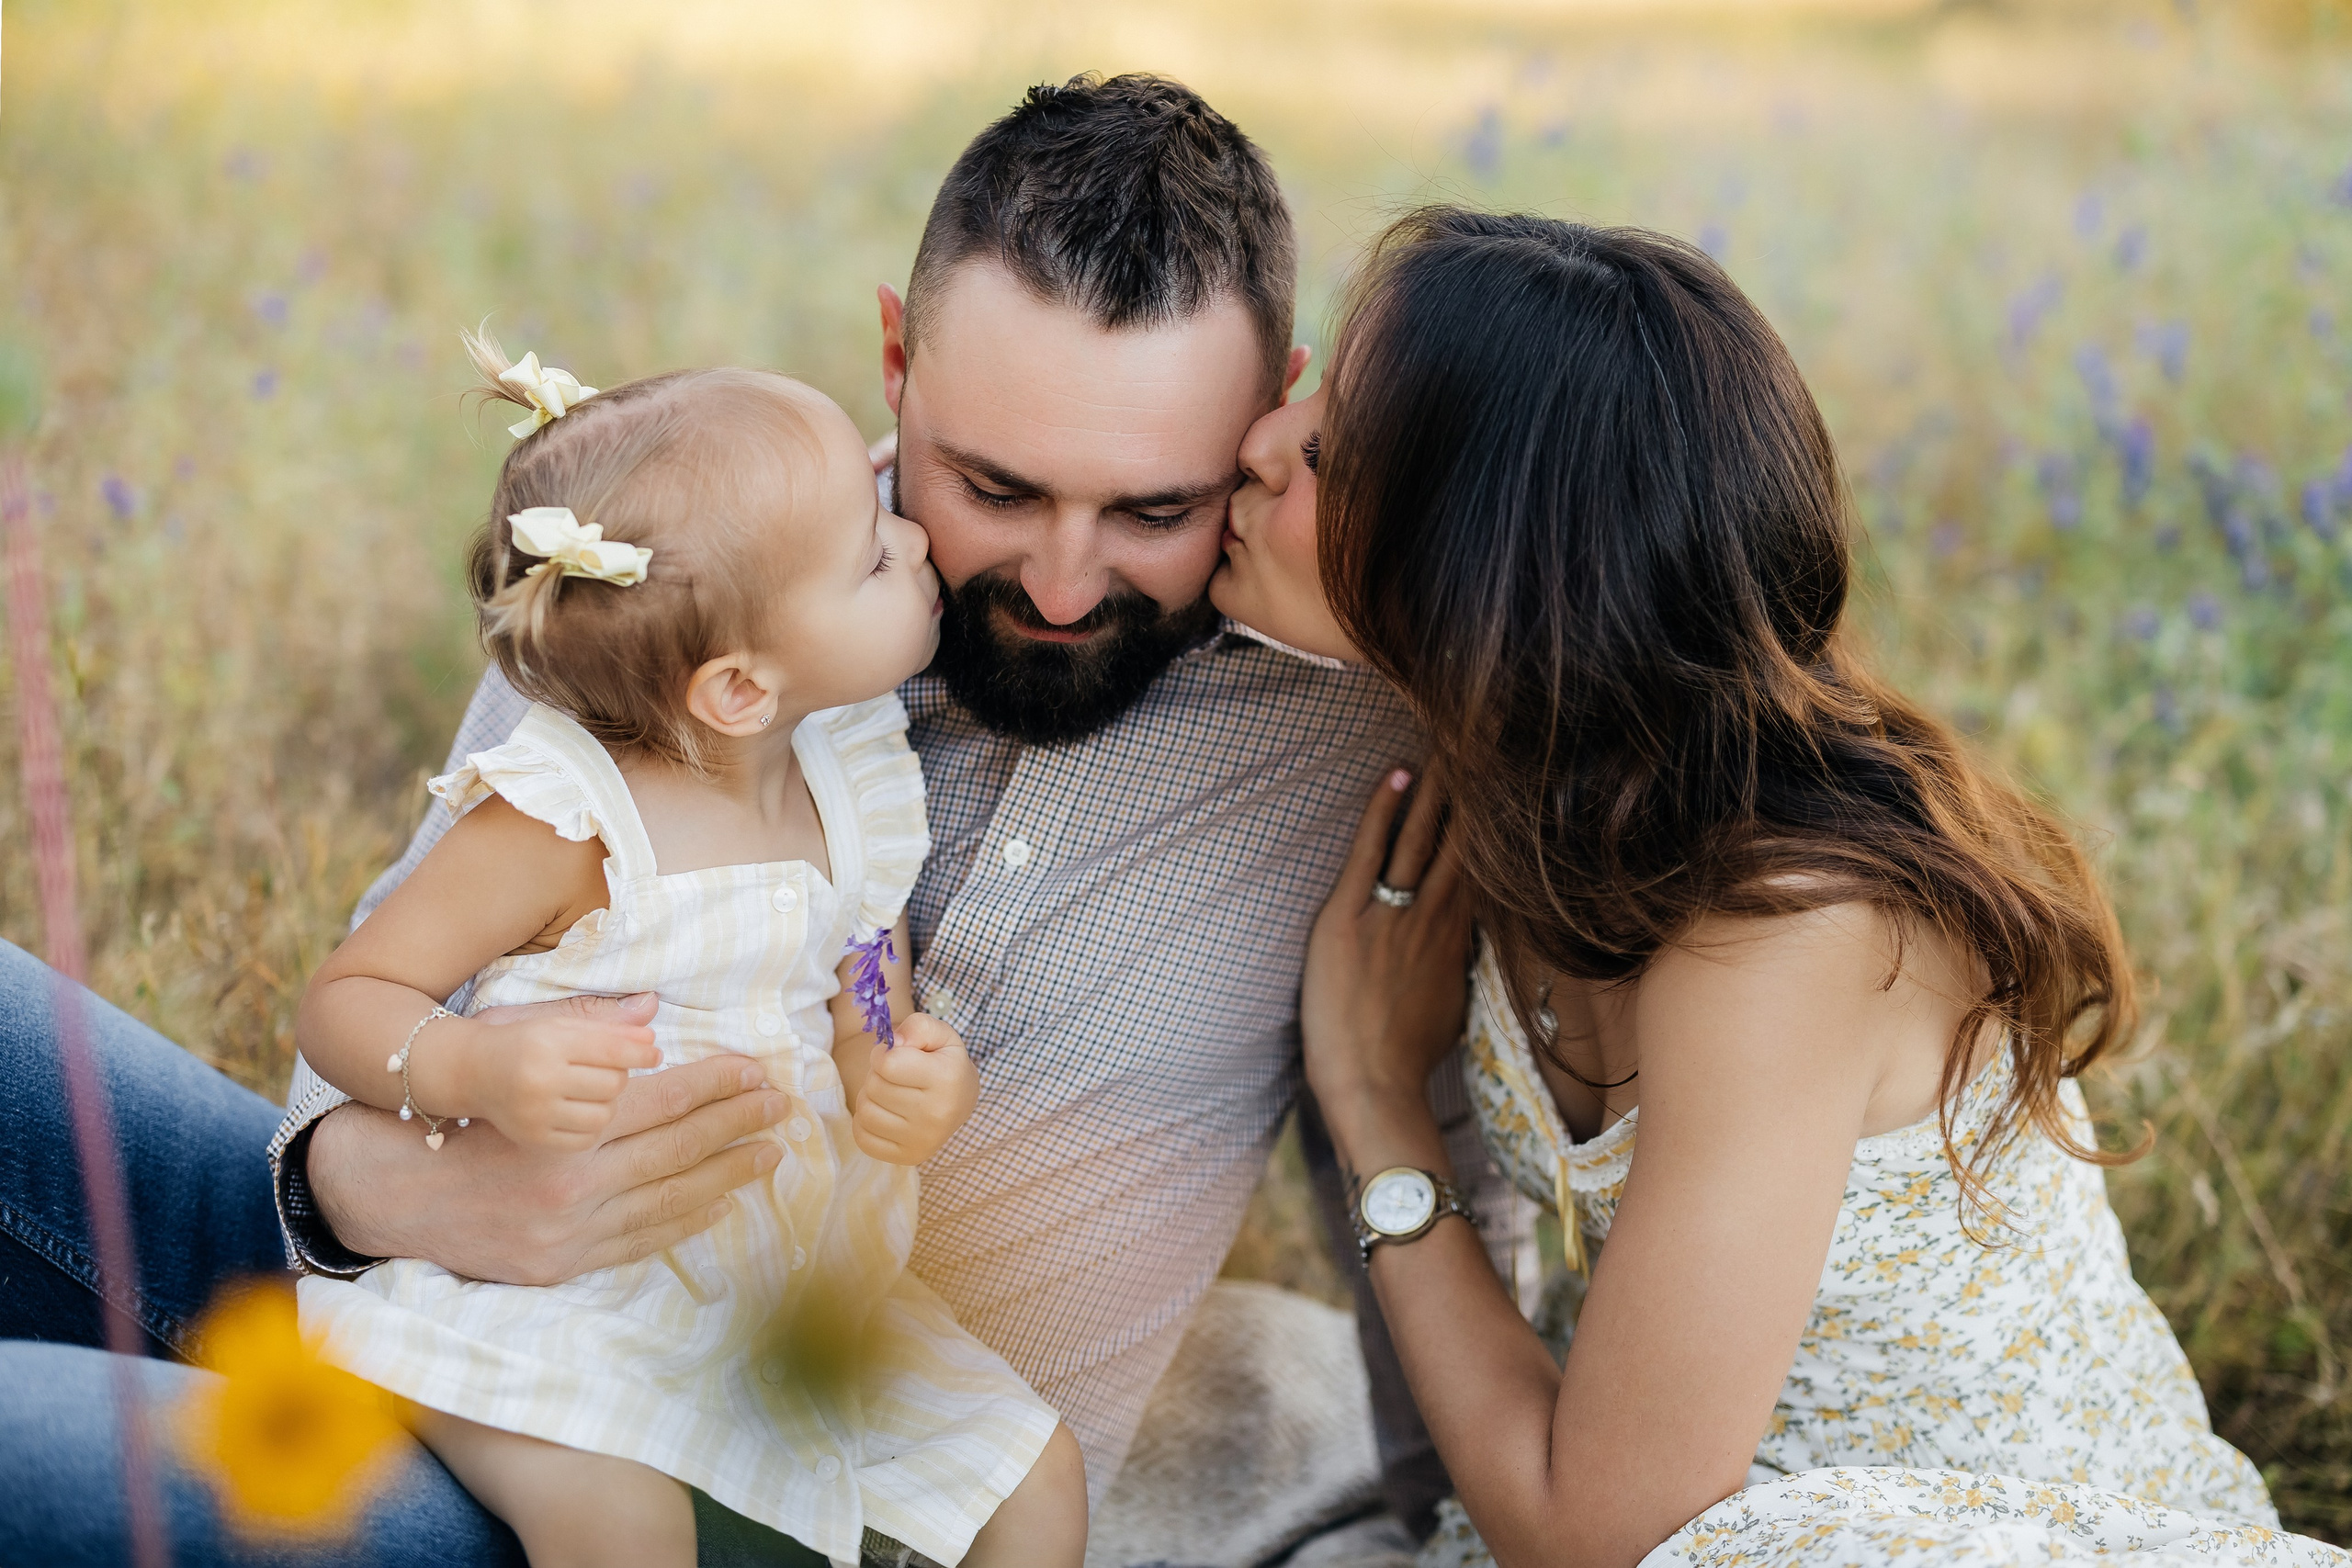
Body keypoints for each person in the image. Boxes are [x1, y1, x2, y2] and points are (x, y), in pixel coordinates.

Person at [0, 75, 1501, 1564]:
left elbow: (1454, 1171)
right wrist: (402, 1189)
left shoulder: (1359, 737)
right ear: (898, 358)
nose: (1060, 584)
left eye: (1153, 512)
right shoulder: (679, 585)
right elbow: (383, 1012)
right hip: (489, 1349)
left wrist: (1441, 1513)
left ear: (1270, 416)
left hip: (808, 1497)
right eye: (993, 489)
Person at [1215, 209, 2350, 1568]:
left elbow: (1597, 1539)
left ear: (1478, 570)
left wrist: (1374, 1102)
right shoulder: (1510, 780)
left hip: (1934, 1531)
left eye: (1329, 453)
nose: (1260, 440)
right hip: (1687, 1486)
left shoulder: (1786, 932)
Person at [292, 340, 1086, 1567]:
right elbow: (351, 996)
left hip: (788, 1290)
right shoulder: (571, 821)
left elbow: (864, 982)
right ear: (738, 690)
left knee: (1034, 1472)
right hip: (572, 1298)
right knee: (618, 1516)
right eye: (875, 557)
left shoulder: (853, 779)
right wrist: (474, 1069)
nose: (916, 540)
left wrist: (896, 1068)